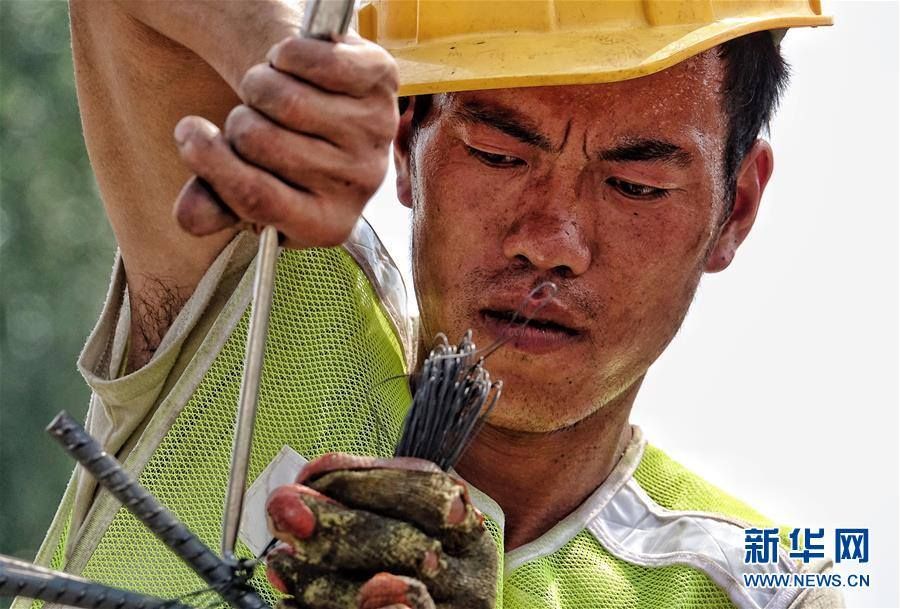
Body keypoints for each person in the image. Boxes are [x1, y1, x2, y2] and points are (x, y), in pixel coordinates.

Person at [18, 1, 842, 608]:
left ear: (736, 207)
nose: (550, 241)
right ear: (407, 136)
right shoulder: (270, 292)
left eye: (635, 184)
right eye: (498, 152)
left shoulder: (766, 587)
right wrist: (292, 73)